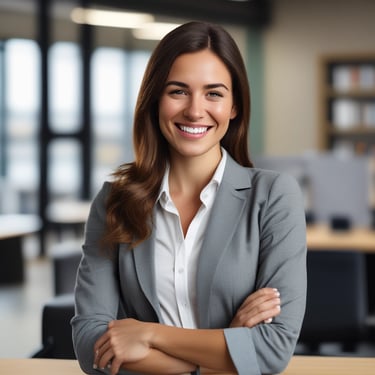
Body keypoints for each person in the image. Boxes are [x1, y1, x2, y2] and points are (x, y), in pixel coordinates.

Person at [71, 21, 307, 375]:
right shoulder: (114, 202)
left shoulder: (273, 197)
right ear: (154, 99)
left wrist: (148, 334)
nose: (195, 111)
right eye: (178, 91)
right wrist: (228, 349)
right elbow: (92, 344)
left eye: (214, 93)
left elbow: (272, 349)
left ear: (234, 107)